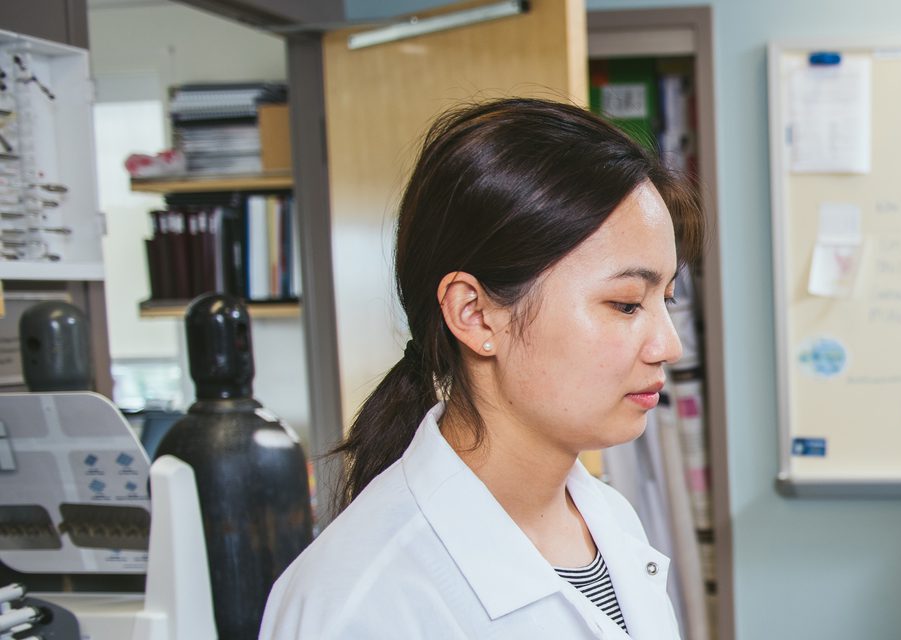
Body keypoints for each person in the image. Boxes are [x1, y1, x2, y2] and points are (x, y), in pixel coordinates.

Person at [262, 97, 701, 638]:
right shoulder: (358, 602)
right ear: (475, 314)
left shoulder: (609, 521)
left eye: (668, 300)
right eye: (627, 304)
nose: (668, 345)